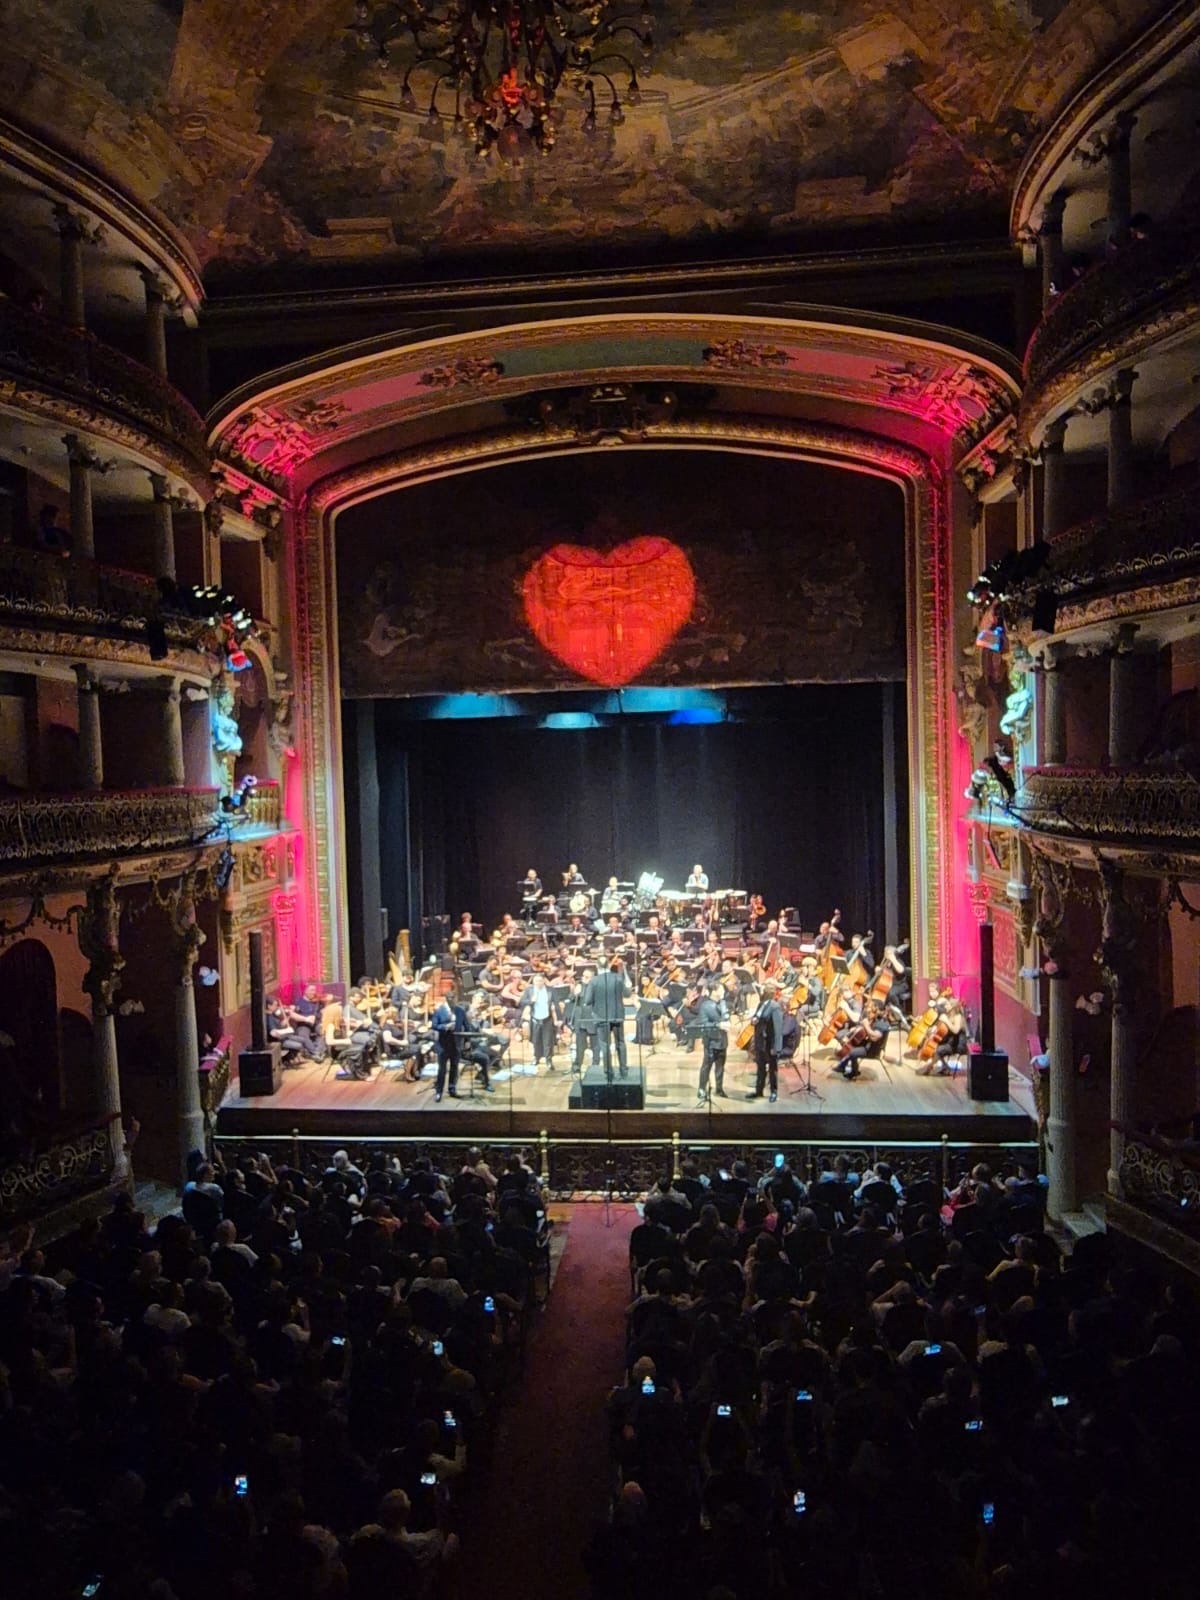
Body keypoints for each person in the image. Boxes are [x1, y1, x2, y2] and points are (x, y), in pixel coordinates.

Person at [588, 956, 632, 1079]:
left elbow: (587, 1000)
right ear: (608, 965)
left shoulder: (594, 981)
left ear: (597, 966)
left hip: (601, 1018)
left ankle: (609, 1072)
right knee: (620, 1042)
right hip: (617, 1016)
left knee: (605, 1044)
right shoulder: (618, 978)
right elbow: (627, 994)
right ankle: (623, 1070)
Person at [519, 970, 561, 1073]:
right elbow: (522, 1003)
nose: (538, 983)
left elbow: (556, 1005)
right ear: (533, 981)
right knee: (535, 1040)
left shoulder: (550, 990)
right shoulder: (529, 990)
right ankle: (536, 1058)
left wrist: (559, 1019)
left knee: (548, 1041)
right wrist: (531, 1001)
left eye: (540, 981)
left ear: (544, 981)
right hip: (535, 1019)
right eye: (536, 981)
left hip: (547, 1019)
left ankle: (549, 1060)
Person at [838, 1000, 891, 1080]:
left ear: (877, 1009)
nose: (870, 1010)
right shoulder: (877, 1020)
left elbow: (874, 1037)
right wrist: (857, 1029)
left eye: (872, 1008)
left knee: (852, 1052)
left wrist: (866, 1025)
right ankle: (843, 1066)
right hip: (869, 1045)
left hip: (872, 1050)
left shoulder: (882, 1023)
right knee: (851, 1042)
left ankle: (853, 1072)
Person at [749, 981, 783, 1102]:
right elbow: (756, 1017)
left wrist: (776, 1047)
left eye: (763, 991)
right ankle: (759, 1090)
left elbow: (778, 1029)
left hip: (769, 1043)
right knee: (760, 1068)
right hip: (760, 1041)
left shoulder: (775, 1007)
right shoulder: (761, 1004)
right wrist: (752, 1021)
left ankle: (773, 1092)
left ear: (769, 993)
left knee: (772, 1069)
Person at [696, 985, 728, 1102]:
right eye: (721, 989)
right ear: (714, 991)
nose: (723, 991)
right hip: (711, 1041)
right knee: (706, 1067)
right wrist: (718, 1025)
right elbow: (703, 1024)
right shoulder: (705, 1006)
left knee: (720, 1067)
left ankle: (719, 1088)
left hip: (722, 1041)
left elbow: (726, 1016)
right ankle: (701, 1089)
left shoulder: (723, 1003)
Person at [565, 965, 598, 1074]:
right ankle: (576, 1066)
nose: (584, 978)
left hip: (592, 1020)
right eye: (583, 976)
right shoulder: (579, 986)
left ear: (593, 978)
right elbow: (570, 999)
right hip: (580, 1020)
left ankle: (595, 1066)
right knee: (580, 1045)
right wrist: (575, 993)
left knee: (595, 1046)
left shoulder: (596, 987)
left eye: (587, 977)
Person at [430, 988, 461, 1101]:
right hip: (443, 1044)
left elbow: (465, 1024)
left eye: (453, 998)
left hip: (455, 1044)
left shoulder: (459, 1010)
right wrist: (445, 1027)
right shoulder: (439, 1011)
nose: (451, 1000)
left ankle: (452, 1089)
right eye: (449, 999)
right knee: (442, 1070)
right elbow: (434, 1025)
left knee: (454, 1068)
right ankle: (439, 1092)